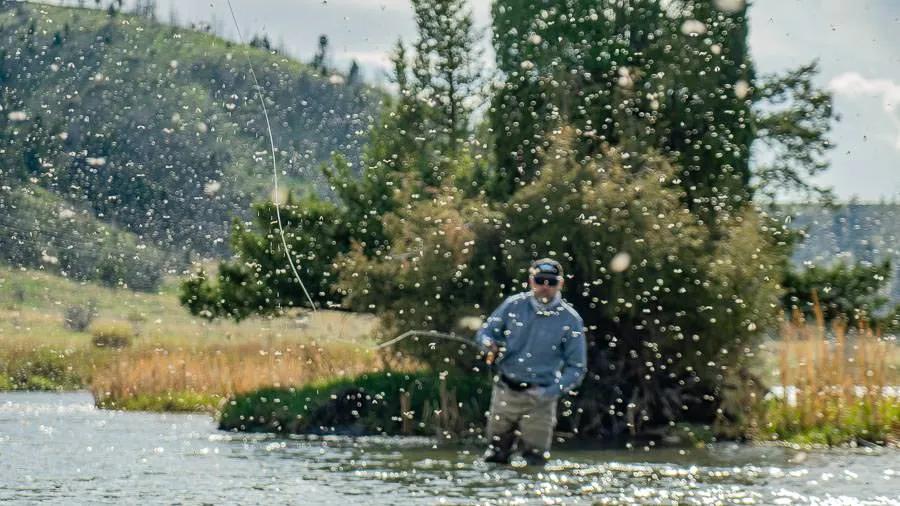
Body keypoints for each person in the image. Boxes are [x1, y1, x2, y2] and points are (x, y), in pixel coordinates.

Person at [475, 258, 587, 466]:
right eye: (540, 280)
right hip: (505, 392)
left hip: (541, 400)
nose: (545, 286)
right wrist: (488, 344)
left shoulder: (571, 320)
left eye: (551, 282)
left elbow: (577, 369)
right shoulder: (512, 305)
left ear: (560, 284)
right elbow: (485, 332)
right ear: (530, 281)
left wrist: (549, 392)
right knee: (495, 457)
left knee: (535, 462)